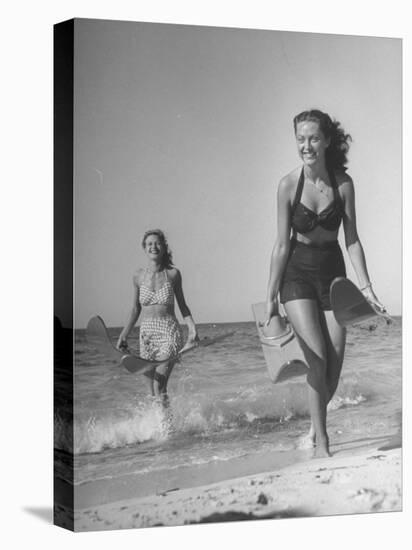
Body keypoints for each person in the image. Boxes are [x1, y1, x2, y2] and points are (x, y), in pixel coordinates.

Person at [265, 109, 385, 458]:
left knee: (332, 372)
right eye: (300, 139)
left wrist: (366, 288)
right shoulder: (288, 185)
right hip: (296, 274)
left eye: (313, 138)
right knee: (316, 360)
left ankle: (311, 428)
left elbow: (352, 240)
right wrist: (271, 295)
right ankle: (323, 442)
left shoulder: (343, 183)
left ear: (327, 140)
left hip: (333, 276)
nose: (306, 145)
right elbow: (282, 243)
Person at [117, 229, 198, 406]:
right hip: (147, 336)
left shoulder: (173, 274)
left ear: (163, 247)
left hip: (169, 332)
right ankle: (161, 428)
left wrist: (192, 328)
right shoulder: (138, 276)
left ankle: (167, 432)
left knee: (158, 385)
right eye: (149, 244)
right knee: (152, 393)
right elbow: (135, 309)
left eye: (157, 243)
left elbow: (183, 305)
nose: (153, 246)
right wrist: (123, 335)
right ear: (144, 248)